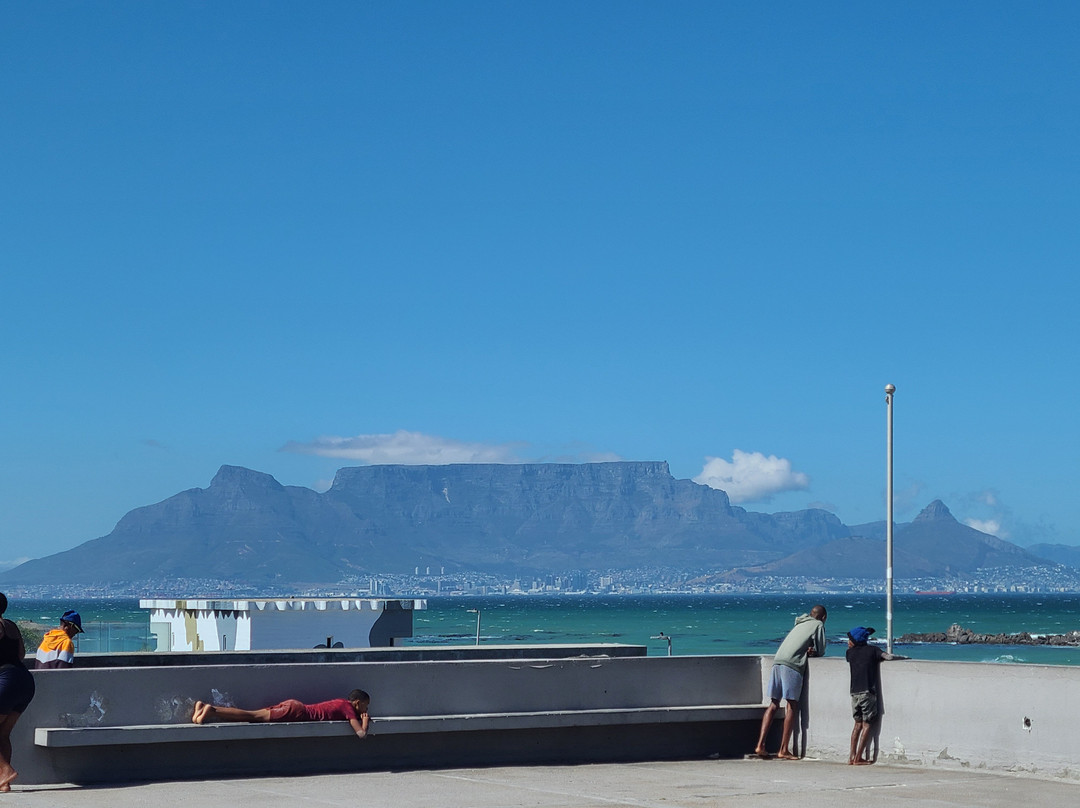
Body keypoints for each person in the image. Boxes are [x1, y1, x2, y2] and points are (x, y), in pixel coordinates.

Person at [754, 604, 827, 760]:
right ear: (824, 617)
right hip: (792, 664)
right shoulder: (818, 624)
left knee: (774, 704)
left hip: (778, 661)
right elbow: (821, 650)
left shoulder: (800, 623)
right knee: (792, 705)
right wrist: (812, 651)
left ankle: (760, 745)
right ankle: (784, 749)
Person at [192, 689, 371, 739]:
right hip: (297, 712)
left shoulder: (340, 702)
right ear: (357, 703)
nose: (366, 710)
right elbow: (361, 734)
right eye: (365, 706)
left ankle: (204, 708)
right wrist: (365, 722)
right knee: (251, 716)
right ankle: (211, 711)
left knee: (252, 715)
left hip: (294, 706)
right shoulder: (348, 708)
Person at [846, 626, 904, 765]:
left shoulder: (849, 653)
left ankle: (851, 757)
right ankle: (859, 758)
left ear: (855, 640)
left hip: (854, 692)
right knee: (867, 725)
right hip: (867, 692)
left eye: (850, 639)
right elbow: (888, 657)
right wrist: (903, 657)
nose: (848, 642)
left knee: (857, 725)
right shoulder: (873, 651)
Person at [0, 593, 36, 792]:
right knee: (3, 734)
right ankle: (4, 784)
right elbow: (21, 654)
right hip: (24, 680)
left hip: (6, 680)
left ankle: (5, 772)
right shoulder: (11, 625)